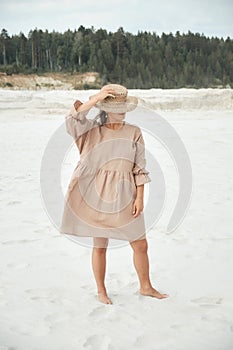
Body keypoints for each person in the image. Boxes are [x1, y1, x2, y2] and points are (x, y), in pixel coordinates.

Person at [60, 84, 169, 304]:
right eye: (116, 106)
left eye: (124, 106)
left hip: (125, 194)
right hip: (95, 195)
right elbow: (72, 118)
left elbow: (139, 167)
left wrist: (139, 197)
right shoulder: (90, 131)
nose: (122, 110)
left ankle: (146, 287)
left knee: (140, 243)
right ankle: (101, 290)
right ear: (105, 108)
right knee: (100, 245)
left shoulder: (134, 132)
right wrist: (96, 98)